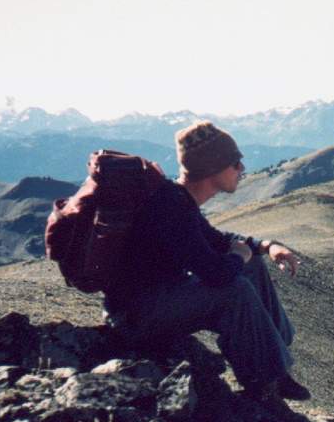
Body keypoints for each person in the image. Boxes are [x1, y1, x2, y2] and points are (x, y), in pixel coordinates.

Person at [102, 120, 311, 405]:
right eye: (235, 162)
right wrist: (239, 254)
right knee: (235, 290)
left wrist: (265, 246)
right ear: (212, 168)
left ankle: (275, 372)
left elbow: (217, 239)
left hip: (155, 301)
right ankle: (265, 391)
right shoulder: (170, 208)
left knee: (251, 267)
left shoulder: (177, 201)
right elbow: (216, 274)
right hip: (136, 316)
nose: (241, 169)